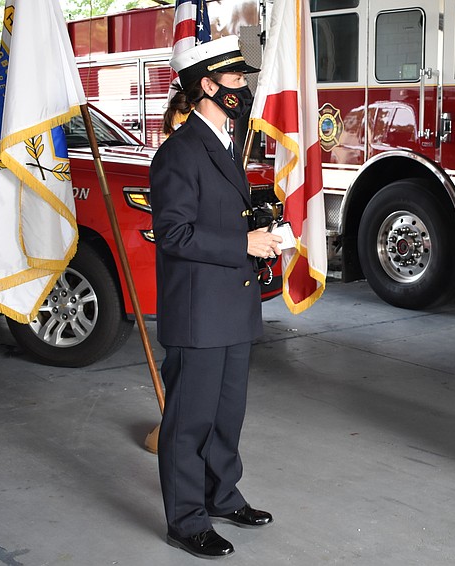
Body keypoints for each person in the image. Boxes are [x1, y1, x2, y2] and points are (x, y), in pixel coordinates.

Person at [150, 35, 283, 559]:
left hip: (231, 303)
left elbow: (221, 215)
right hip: (199, 312)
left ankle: (221, 496)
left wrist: (261, 228)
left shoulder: (224, 144)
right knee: (189, 423)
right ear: (207, 86)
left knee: (227, 416)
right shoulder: (178, 152)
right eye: (235, 79)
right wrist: (241, 242)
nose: (243, 87)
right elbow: (175, 235)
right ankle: (185, 520)